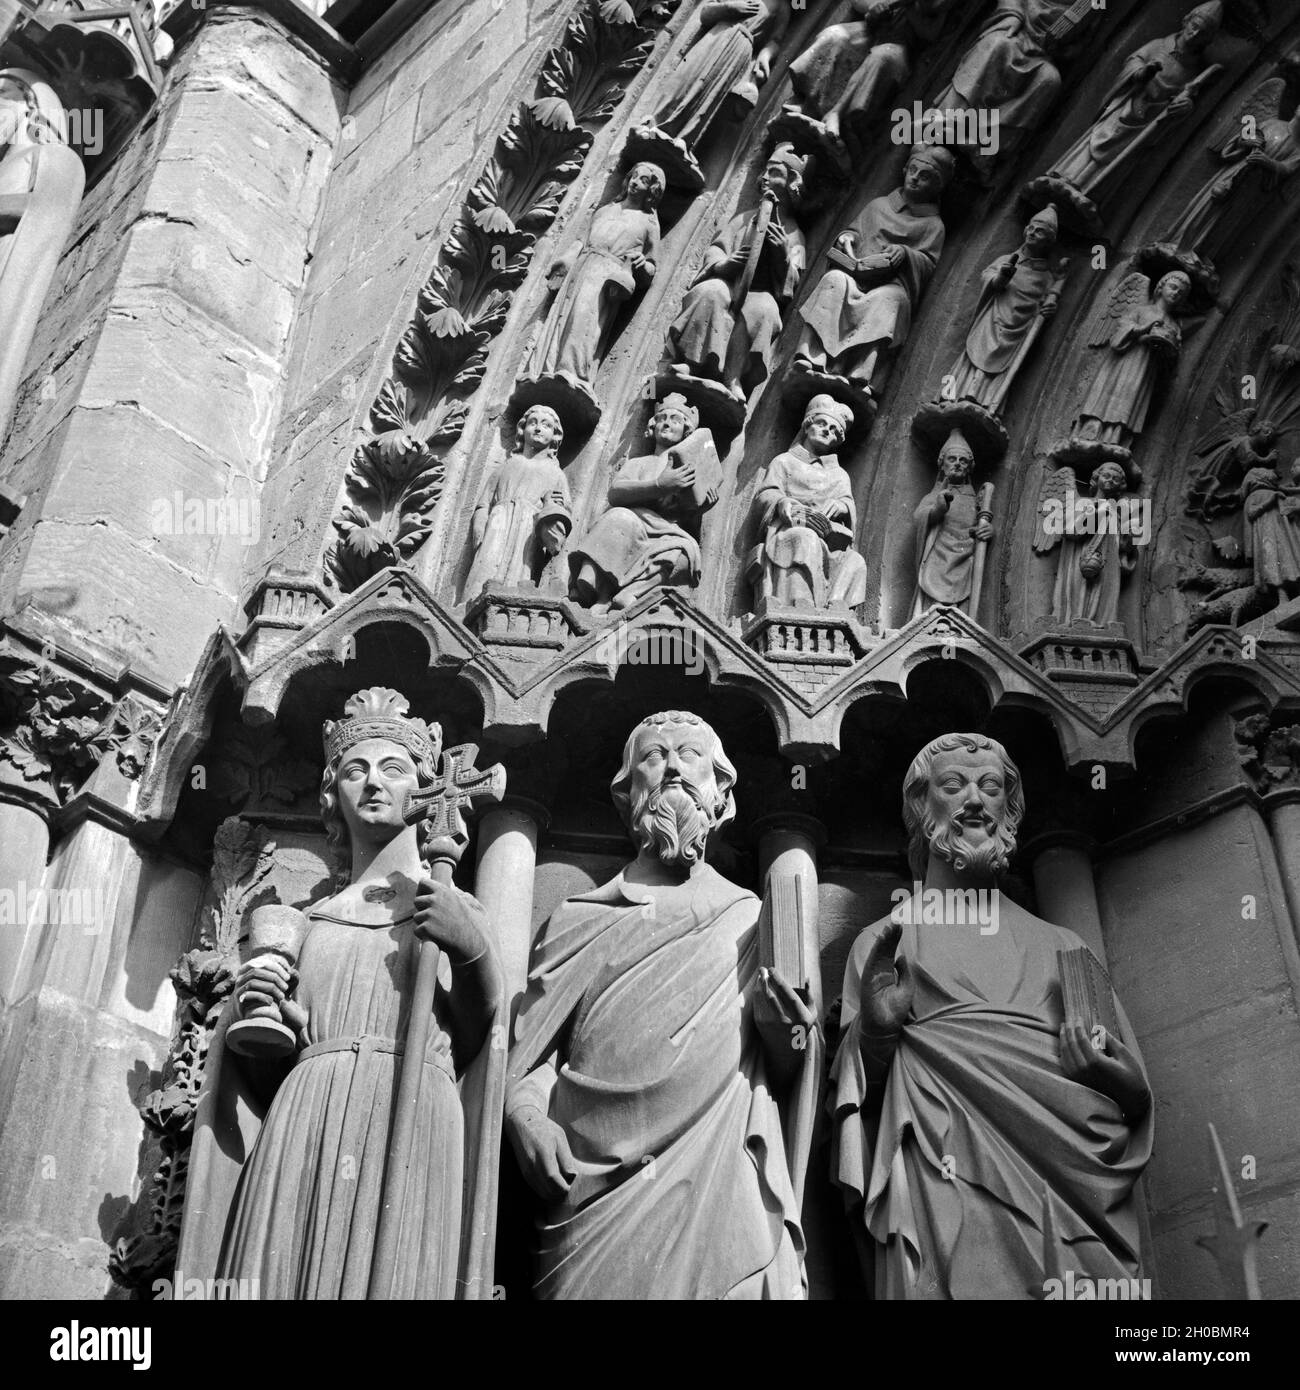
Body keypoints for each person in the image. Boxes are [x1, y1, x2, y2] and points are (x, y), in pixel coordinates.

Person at [176, 688, 504, 1298]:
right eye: (355, 770)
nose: (373, 784)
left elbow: (479, 1032)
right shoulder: (308, 920)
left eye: (393, 769)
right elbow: (262, 1069)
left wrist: (469, 946)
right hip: (310, 1108)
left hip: (415, 1108)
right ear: (333, 793)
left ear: (425, 790)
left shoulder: (455, 908)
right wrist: (265, 1012)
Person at [830, 732, 1153, 1299]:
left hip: (1073, 1197)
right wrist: (877, 1034)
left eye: (992, 786)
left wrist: (1106, 1073)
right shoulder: (886, 942)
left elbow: (1133, 1099)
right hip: (942, 1170)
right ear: (922, 808)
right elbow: (853, 1103)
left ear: (1010, 809)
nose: (975, 800)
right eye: (953, 785)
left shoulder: (1063, 947)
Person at [506, 711, 813, 1298]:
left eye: (690, 755)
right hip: (589, 1190)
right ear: (626, 796)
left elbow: (789, 1074)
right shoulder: (580, 919)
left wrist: (786, 1032)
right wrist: (524, 1117)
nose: (672, 766)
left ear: (721, 790)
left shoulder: (751, 919)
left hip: (721, 1174)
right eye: (653, 756)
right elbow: (527, 1062)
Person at [795, 144, 951, 391]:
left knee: (892, 301)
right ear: (904, 169)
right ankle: (812, 355)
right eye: (913, 170)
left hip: (889, 286)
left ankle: (861, 372)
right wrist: (847, 238)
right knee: (834, 280)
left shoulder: (933, 225)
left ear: (937, 187)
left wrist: (906, 254)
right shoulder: (878, 205)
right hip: (854, 275)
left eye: (925, 177)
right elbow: (855, 231)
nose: (915, 179)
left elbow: (928, 264)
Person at [569, 395, 716, 611]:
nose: (666, 423)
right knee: (619, 518)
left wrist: (700, 507)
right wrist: (659, 485)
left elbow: (683, 515)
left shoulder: (688, 471)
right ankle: (602, 595)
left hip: (665, 531)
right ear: (652, 426)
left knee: (686, 553)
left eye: (675, 419)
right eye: (662, 418)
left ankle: (633, 593)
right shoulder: (640, 463)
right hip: (635, 521)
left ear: (686, 431)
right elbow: (616, 493)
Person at [749, 394, 867, 609]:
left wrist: (842, 506)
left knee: (856, 562)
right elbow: (767, 494)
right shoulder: (784, 461)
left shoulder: (839, 474)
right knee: (805, 538)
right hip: (789, 529)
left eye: (833, 430)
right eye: (822, 424)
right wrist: (783, 503)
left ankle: (834, 609)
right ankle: (801, 603)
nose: (826, 431)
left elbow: (847, 504)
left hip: (827, 539)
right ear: (807, 425)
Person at [464, 405, 571, 597]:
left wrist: (551, 507)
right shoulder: (506, 466)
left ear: (555, 436)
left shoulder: (556, 474)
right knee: (486, 565)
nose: (538, 428)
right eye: (533, 423)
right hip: (497, 523)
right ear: (522, 430)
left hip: (529, 529)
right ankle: (472, 600)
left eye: (546, 425)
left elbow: (563, 512)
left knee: (521, 572)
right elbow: (483, 504)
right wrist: (480, 533)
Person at [911, 430, 992, 616]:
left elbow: (982, 524)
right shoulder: (935, 495)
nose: (957, 464)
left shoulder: (976, 500)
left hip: (964, 563)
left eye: (963, 460)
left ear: (969, 467)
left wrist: (988, 530)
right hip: (937, 562)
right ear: (942, 464)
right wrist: (937, 510)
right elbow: (919, 518)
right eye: (952, 459)